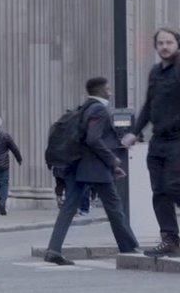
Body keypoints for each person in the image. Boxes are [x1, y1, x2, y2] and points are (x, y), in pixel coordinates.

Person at [43, 78, 139, 265]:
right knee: (114, 207)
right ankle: (128, 247)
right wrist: (112, 161)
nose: (110, 91)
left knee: (69, 208)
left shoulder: (84, 107)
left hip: (77, 166)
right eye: (108, 88)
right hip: (94, 167)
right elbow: (93, 139)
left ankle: (53, 249)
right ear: (102, 90)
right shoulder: (98, 109)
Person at [122, 27, 180, 257]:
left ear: (177, 45)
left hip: (178, 138)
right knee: (159, 191)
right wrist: (135, 132)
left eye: (169, 42)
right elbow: (148, 105)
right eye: (161, 43)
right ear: (156, 47)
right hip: (158, 140)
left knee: (173, 185)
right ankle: (170, 239)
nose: (165, 47)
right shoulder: (155, 72)